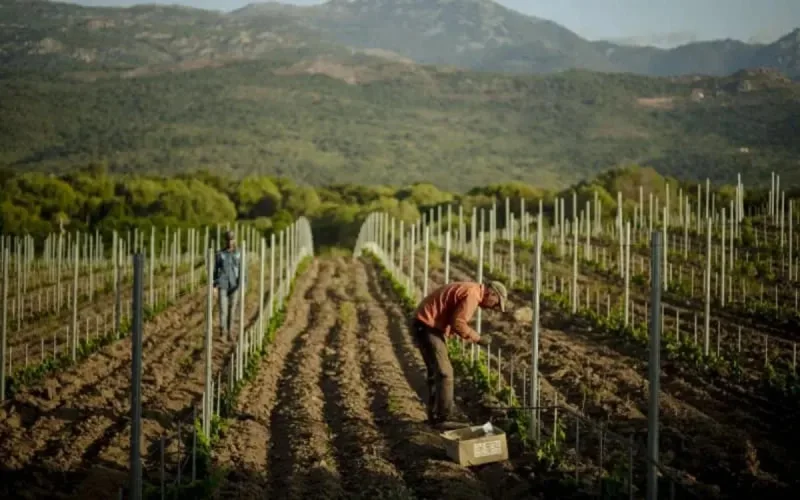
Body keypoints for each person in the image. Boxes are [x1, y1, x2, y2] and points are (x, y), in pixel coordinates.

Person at [411, 279, 508, 428]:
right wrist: (478, 338)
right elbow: (458, 323)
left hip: (425, 324)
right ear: (492, 293)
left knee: (436, 373)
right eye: (496, 303)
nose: (493, 307)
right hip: (427, 326)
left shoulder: (471, 289)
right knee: (445, 373)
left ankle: (434, 417)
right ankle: (445, 417)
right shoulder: (472, 295)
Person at [213, 230, 242, 341]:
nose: (230, 242)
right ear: (225, 241)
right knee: (223, 309)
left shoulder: (239, 253)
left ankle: (230, 332)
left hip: (234, 285)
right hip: (223, 284)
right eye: (228, 240)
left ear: (235, 240)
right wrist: (214, 286)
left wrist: (243, 284)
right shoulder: (220, 254)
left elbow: (243, 271)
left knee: (232, 309)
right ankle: (223, 333)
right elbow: (215, 270)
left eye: (232, 239)